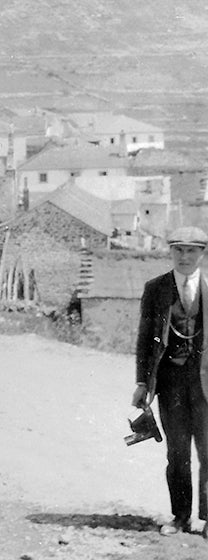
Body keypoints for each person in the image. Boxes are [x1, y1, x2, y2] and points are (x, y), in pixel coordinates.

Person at [133, 226, 208, 538]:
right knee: (177, 454)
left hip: (206, 385)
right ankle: (180, 517)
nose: (185, 256)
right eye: (179, 250)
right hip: (171, 384)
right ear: (171, 252)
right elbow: (144, 338)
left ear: (202, 253)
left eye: (192, 250)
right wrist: (141, 382)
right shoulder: (156, 288)